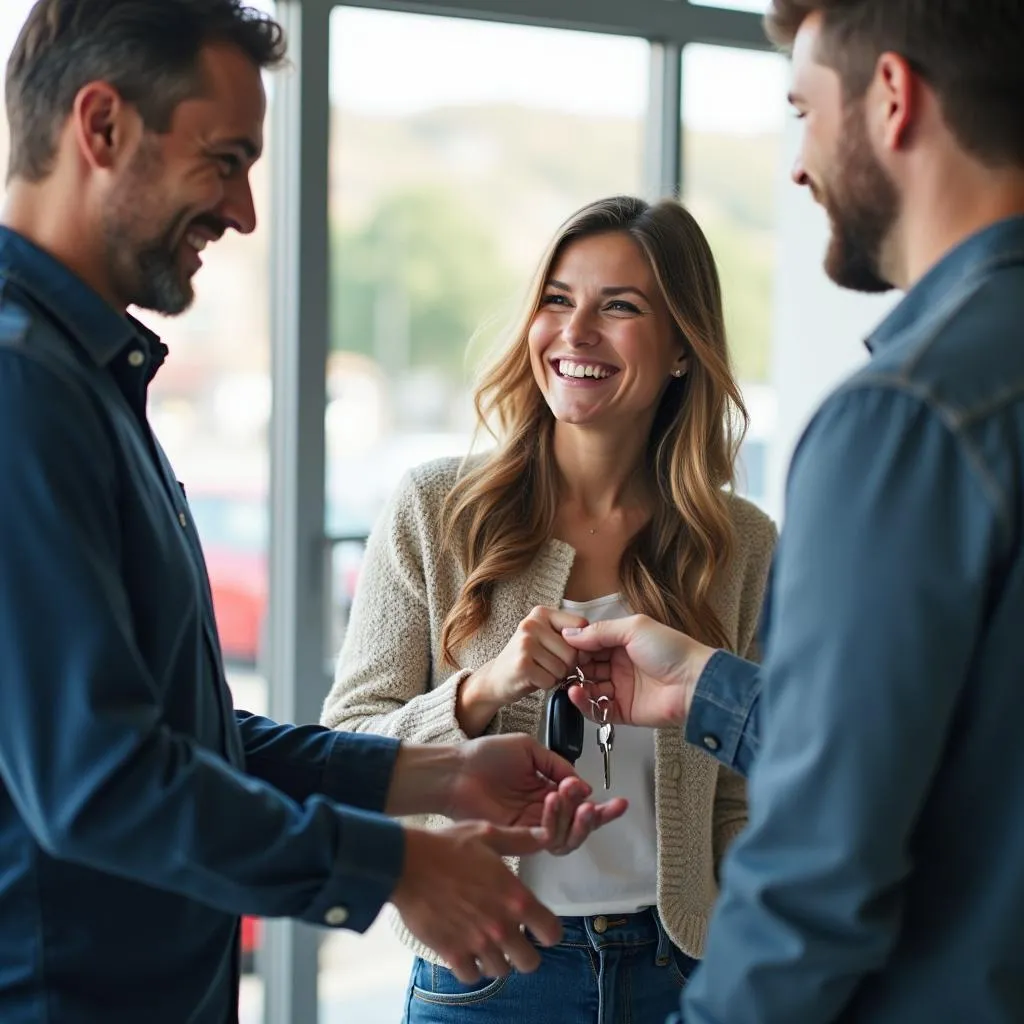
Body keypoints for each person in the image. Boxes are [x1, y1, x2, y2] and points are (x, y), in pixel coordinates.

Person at [0, 3, 623, 1021]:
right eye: (225, 158)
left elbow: (182, 736)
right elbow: (98, 780)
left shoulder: (86, 379)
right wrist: (397, 866)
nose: (244, 212)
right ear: (101, 126)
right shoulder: (22, 386)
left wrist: (435, 777)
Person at [558, 2, 1024, 1021]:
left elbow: (823, 862)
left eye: (803, 109)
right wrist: (703, 692)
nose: (798, 164)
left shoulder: (906, 418)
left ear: (892, 99)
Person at [321, 194, 777, 1022]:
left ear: (681, 347)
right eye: (558, 300)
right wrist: (478, 690)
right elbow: (347, 746)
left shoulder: (738, 542)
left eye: (621, 307)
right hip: (487, 973)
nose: (575, 333)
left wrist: (744, 945)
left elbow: (745, 794)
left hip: (684, 973)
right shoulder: (438, 508)